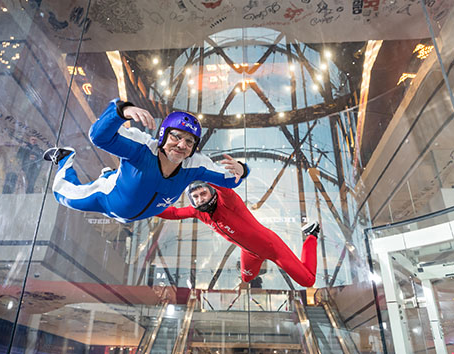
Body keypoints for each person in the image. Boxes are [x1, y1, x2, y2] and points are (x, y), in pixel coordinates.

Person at [43, 98, 248, 223]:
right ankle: (64, 158)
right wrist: (121, 111)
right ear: (162, 135)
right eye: (176, 136)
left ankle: (109, 174)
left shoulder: (194, 166)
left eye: (189, 141)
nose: (182, 145)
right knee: (62, 195)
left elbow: (230, 180)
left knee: (124, 179)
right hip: (106, 199)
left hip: (131, 208)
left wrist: (241, 169)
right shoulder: (141, 148)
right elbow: (99, 137)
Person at [158, 182, 319, 287]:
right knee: (247, 278)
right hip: (249, 252)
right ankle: (256, 277)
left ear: (211, 191)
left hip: (271, 247)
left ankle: (311, 235)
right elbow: (173, 213)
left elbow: (224, 186)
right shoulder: (198, 212)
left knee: (308, 281)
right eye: (196, 197)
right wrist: (142, 209)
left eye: (203, 193)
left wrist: (200, 172)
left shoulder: (228, 201)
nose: (200, 199)